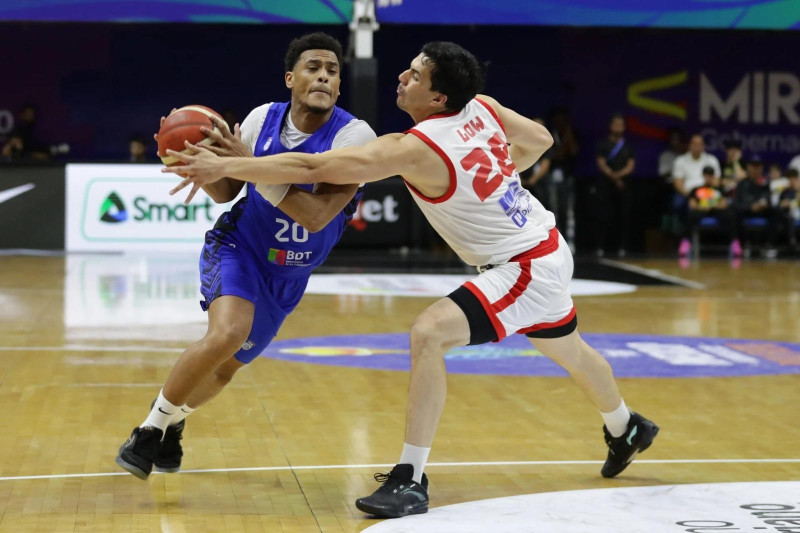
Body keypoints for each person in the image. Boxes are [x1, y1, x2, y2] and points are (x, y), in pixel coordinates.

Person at [165, 41, 659, 518]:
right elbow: (540, 140)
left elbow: (313, 165)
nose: (402, 77)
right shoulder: (482, 107)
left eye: (415, 74)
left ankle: (411, 477)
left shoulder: (416, 147)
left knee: (429, 332)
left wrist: (226, 164)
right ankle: (625, 427)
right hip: (545, 248)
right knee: (568, 350)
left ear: (438, 97)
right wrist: (499, 176)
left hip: (525, 264)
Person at [115, 32, 376, 480]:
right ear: (291, 78)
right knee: (227, 334)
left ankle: (174, 421)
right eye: (314, 67)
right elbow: (227, 192)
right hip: (240, 246)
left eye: (333, 71)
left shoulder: (354, 136)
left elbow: (315, 216)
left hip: (289, 274)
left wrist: (247, 164)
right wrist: (198, 164)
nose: (325, 76)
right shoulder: (261, 120)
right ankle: (148, 431)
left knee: (223, 373)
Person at [595, 113, 635, 257]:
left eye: (621, 124)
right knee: (605, 216)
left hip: (623, 186)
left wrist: (619, 176)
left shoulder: (628, 146)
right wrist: (612, 176)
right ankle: (601, 246)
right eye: (615, 124)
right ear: (611, 126)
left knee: (623, 217)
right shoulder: (603, 144)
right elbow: (601, 162)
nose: (618, 127)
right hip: (606, 185)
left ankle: (622, 247)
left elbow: (631, 165)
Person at [677, 166, 740, 257]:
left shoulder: (718, 190)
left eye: (710, 175)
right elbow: (692, 204)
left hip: (716, 210)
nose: (709, 177)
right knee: (690, 215)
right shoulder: (696, 189)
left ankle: (735, 242)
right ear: (703, 176)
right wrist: (701, 207)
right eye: (707, 175)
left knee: (731, 215)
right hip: (701, 210)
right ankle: (686, 242)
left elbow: (723, 204)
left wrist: (712, 205)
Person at [735, 156, 778, 258]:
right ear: (748, 167)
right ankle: (744, 244)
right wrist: (750, 206)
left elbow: (768, 199)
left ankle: (769, 244)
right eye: (753, 166)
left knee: (776, 212)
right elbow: (737, 203)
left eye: (758, 166)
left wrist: (763, 205)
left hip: (762, 209)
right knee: (735, 212)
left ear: (761, 168)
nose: (756, 169)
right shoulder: (742, 183)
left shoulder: (765, 183)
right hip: (746, 210)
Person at [779, 169, 799, 249]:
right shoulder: (785, 191)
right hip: (790, 214)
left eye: (794, 179)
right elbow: (781, 204)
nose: (793, 181)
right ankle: (792, 242)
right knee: (789, 218)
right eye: (790, 179)